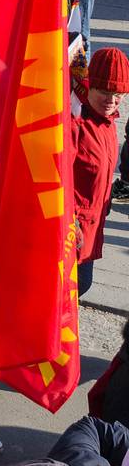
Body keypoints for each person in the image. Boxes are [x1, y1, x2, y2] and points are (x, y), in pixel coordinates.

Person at [73, 48, 127, 297]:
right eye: (105, 92)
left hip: (92, 229)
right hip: (72, 233)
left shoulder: (109, 122)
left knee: (81, 286)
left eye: (118, 95)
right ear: (89, 86)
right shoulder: (75, 123)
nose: (112, 101)